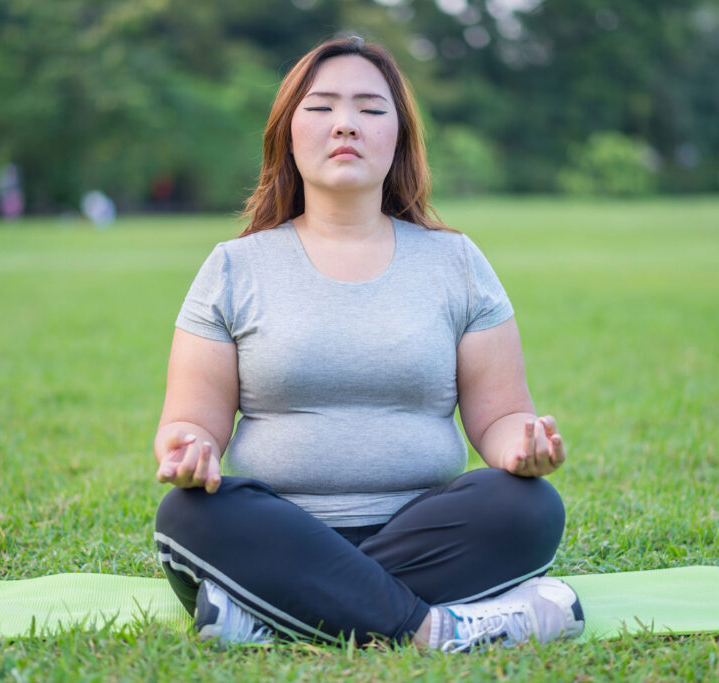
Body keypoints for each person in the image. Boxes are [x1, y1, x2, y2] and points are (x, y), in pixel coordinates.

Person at [153, 36, 584, 652]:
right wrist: (189, 449)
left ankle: (276, 609)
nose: (346, 124)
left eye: (371, 109)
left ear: (400, 137)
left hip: (427, 530)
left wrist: (521, 445)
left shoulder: (455, 262)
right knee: (188, 517)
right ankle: (436, 630)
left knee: (528, 507)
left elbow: (502, 415)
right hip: (275, 529)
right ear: (288, 134)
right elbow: (191, 422)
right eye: (322, 107)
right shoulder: (233, 268)